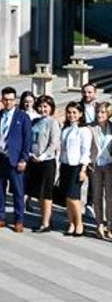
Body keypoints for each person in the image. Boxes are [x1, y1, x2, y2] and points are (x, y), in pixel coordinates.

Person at [0, 86, 32, 232]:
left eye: (11, 100)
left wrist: (24, 159)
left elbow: (27, 140)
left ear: (15, 100)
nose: (7, 102)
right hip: (0, 158)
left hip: (15, 159)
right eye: (5, 100)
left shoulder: (22, 117)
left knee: (18, 191)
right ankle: (0, 217)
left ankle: (19, 220)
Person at [26, 95, 60, 233]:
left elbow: (54, 143)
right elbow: (28, 139)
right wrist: (30, 154)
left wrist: (43, 156)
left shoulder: (53, 123)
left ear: (51, 108)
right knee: (38, 192)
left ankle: (46, 223)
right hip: (34, 160)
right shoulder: (34, 121)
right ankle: (44, 218)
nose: (42, 109)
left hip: (46, 161)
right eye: (40, 106)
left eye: (45, 106)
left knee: (46, 193)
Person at [60, 101, 93, 237]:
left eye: (74, 112)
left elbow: (86, 151)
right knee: (67, 197)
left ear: (80, 114)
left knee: (74, 197)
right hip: (65, 164)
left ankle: (79, 223)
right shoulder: (66, 129)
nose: (71, 115)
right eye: (69, 112)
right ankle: (71, 222)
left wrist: (83, 169)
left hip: (77, 166)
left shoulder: (84, 130)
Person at [90, 102, 112, 239]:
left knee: (110, 198)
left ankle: (110, 226)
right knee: (97, 197)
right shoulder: (90, 128)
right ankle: (99, 224)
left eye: (103, 112)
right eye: (98, 111)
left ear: (108, 113)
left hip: (110, 166)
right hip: (96, 166)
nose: (100, 114)